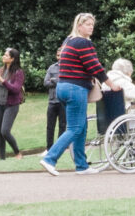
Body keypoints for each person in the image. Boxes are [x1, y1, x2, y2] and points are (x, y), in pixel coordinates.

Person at [41, 12, 106, 174]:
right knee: (75, 128)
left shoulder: (68, 41)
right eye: (87, 24)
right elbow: (94, 66)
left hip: (62, 88)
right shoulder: (82, 42)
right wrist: (110, 83)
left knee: (81, 127)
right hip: (75, 88)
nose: (91, 27)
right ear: (79, 26)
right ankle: (50, 158)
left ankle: (81, 165)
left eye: (92, 24)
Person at [0, 49, 26, 160]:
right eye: (4, 54)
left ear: (12, 59)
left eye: (6, 55)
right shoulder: (0, 70)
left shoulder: (18, 72)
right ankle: (2, 159)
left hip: (11, 105)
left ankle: (17, 153)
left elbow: (15, 89)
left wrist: (3, 80)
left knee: (5, 131)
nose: (3, 56)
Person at [100, 58, 135, 140]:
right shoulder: (123, 81)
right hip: (124, 117)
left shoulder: (105, 82)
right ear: (128, 72)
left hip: (108, 117)